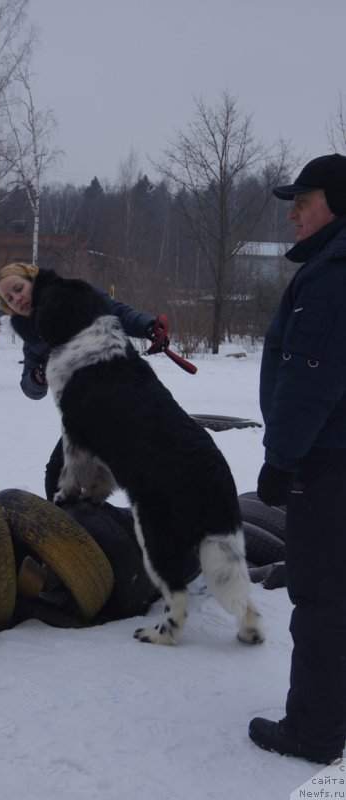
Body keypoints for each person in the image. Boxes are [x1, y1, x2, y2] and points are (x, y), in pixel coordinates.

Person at [248, 154, 346, 765]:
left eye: (303, 201)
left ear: (334, 202)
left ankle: (313, 732)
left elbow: (310, 377)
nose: (292, 213)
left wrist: (281, 461)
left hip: (327, 464)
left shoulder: (332, 274)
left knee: (321, 597)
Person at [0, 262, 165, 499]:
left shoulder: (75, 295)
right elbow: (31, 389)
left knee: (147, 472)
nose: (17, 298)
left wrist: (148, 326)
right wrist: (37, 377)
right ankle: (80, 533)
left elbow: (118, 312)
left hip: (126, 396)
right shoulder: (31, 337)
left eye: (18, 288)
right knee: (57, 477)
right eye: (9, 298)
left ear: (32, 280)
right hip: (86, 413)